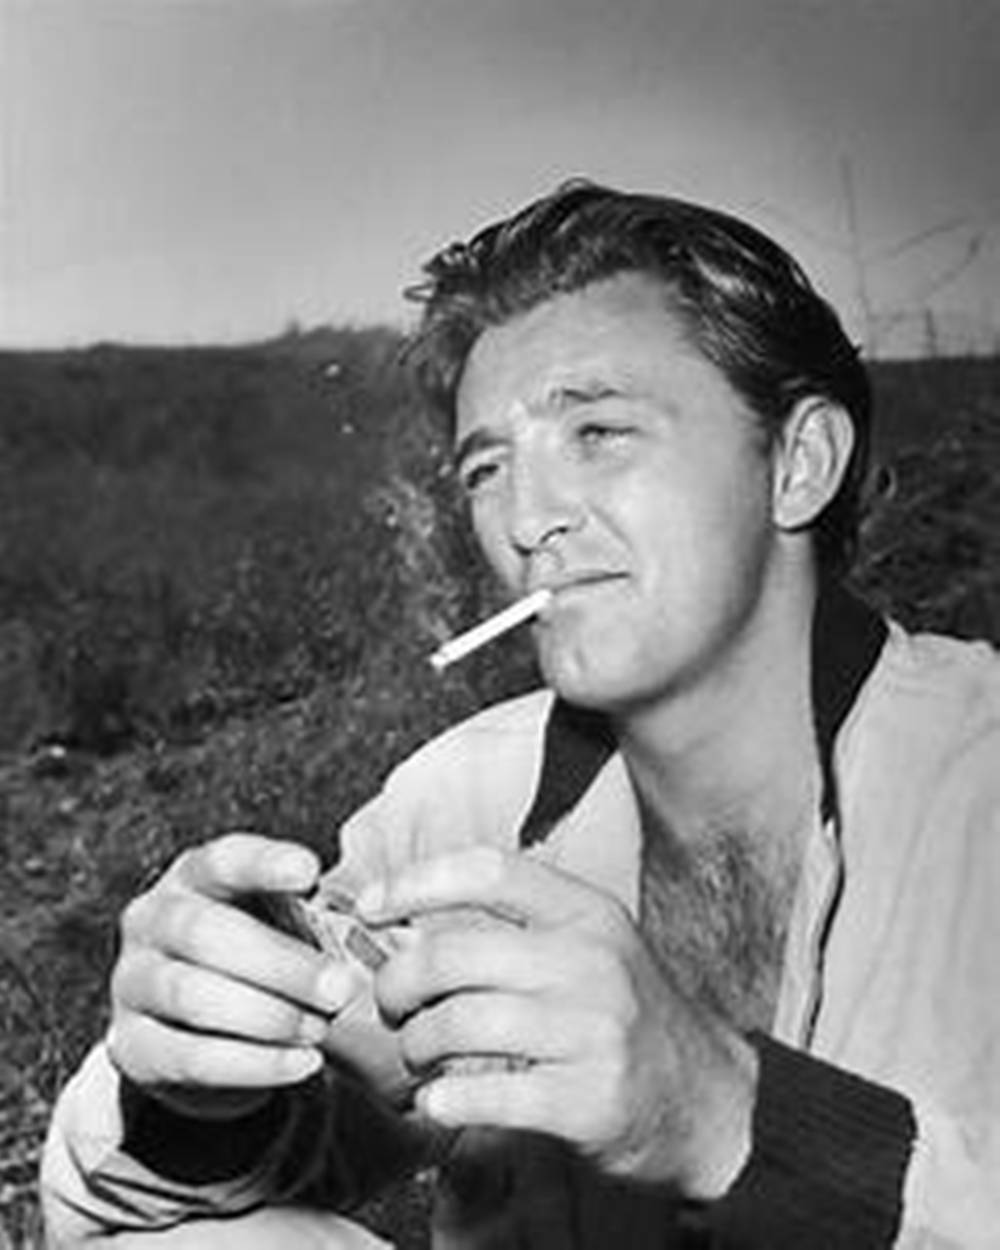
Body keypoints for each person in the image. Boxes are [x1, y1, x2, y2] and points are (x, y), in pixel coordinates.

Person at [42, 182, 999, 1248]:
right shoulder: (464, 804)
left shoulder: (975, 777)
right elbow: (115, 1216)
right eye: (486, 467)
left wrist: (726, 1114)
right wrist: (194, 1086)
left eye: (596, 429)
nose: (526, 518)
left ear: (798, 463)